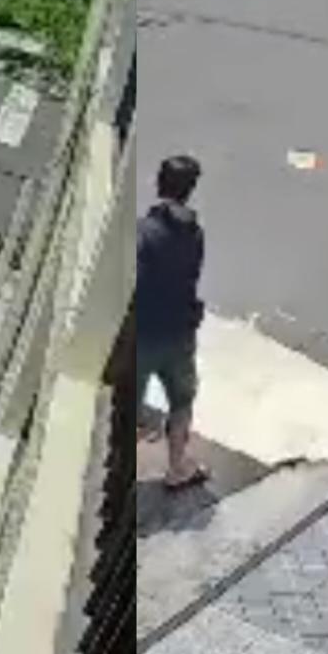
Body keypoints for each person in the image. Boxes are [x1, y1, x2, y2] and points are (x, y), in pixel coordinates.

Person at [136, 155, 209, 489]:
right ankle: (178, 467)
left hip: (143, 332)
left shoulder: (144, 233)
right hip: (179, 332)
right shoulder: (194, 235)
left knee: (128, 402)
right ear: (190, 190)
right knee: (181, 400)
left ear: (158, 183)